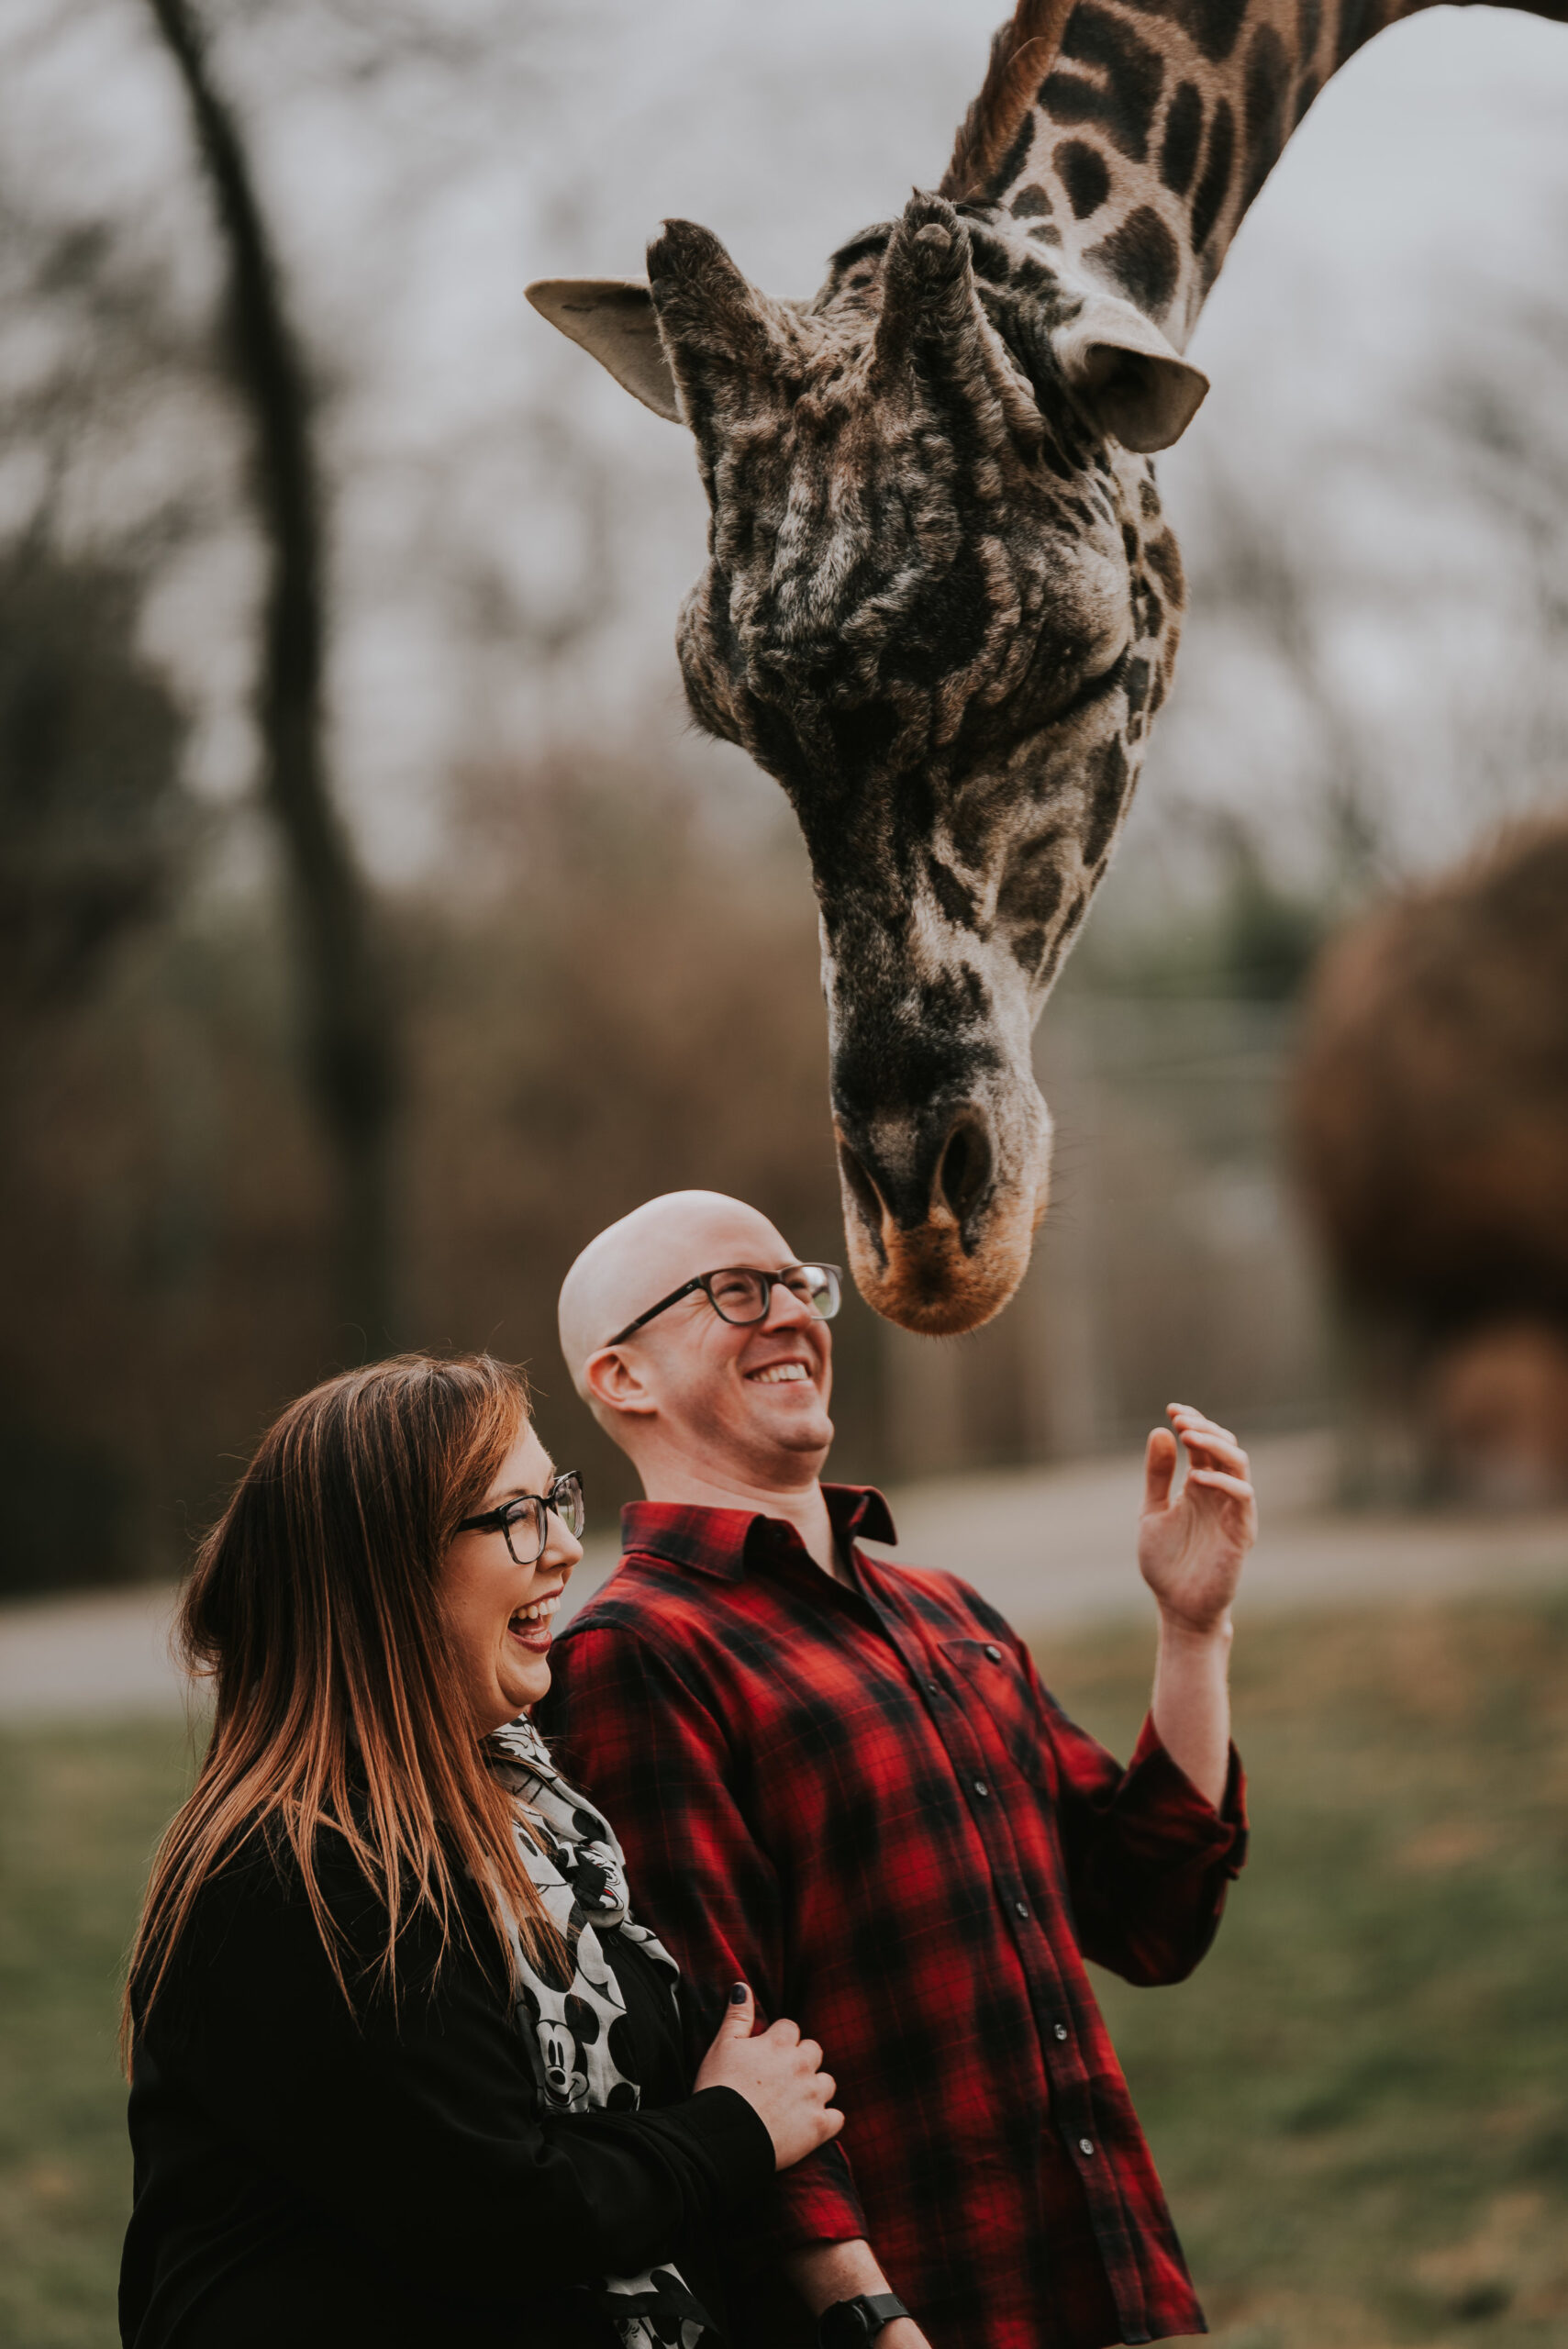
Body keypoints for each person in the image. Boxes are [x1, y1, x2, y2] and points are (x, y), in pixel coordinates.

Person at [540, 1193, 1257, 2349]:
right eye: (735, 1291)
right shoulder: (634, 1655)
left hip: (1091, 2282)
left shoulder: (944, 1613)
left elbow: (1148, 1915)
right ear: (624, 1378)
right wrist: (871, 2321)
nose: (788, 1313)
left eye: (796, 1283)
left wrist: (1192, 1630)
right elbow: (720, 2051)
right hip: (910, 2312)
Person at [119, 1352, 842, 2349]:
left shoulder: (536, 1814)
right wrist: (733, 2130)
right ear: (385, 1575)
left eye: (558, 1501)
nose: (560, 1551)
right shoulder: (298, 1868)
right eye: (515, 1516)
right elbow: (498, 2214)